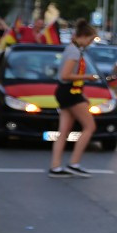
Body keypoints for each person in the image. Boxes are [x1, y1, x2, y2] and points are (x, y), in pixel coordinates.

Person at [49, 19, 99, 178]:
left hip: (67, 91)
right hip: (70, 93)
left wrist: (83, 93)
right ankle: (74, 163)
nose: (90, 43)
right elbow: (66, 75)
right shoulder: (75, 52)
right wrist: (88, 77)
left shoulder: (72, 49)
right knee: (90, 127)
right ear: (83, 37)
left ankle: (56, 166)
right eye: (90, 39)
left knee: (63, 131)